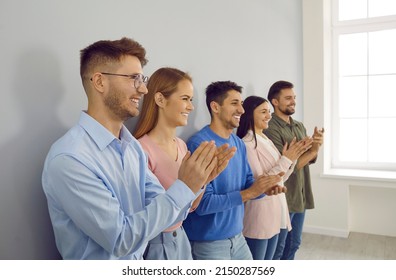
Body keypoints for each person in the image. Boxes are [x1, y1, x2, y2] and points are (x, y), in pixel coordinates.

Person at [41, 38, 219, 260]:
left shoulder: (132, 148)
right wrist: (184, 186)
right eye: (134, 78)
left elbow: (170, 216)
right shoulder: (70, 158)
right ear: (99, 82)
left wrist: (196, 183)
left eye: (141, 79)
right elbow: (121, 239)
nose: (143, 89)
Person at [133, 67, 235, 259]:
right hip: (155, 244)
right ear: (160, 100)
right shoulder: (140, 151)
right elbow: (150, 218)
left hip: (180, 239)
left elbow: (191, 207)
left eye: (191, 100)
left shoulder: (181, 146)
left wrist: (203, 181)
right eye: (185, 99)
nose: (191, 107)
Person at [183, 81, 286, 260]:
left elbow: (248, 183)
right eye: (234, 103)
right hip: (209, 244)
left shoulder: (237, 142)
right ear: (215, 107)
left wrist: (262, 190)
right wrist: (249, 193)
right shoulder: (200, 144)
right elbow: (202, 204)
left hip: (238, 238)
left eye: (241, 103)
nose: (242, 110)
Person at [236, 95, 312, 260]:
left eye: (269, 111)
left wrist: (292, 159)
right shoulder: (246, 144)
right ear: (249, 115)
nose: (269, 116)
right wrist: (286, 159)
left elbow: (280, 178)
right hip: (260, 215)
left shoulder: (266, 140)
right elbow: (261, 183)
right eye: (263, 112)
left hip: (278, 210)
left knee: (275, 258)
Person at [265, 80, 324, 260]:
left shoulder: (298, 125)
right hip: (284, 196)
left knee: (294, 243)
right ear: (275, 102)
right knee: (280, 248)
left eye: (294, 98)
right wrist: (314, 149)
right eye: (288, 98)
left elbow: (305, 160)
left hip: (300, 193)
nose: (293, 101)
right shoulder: (270, 128)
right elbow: (288, 166)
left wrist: (314, 147)